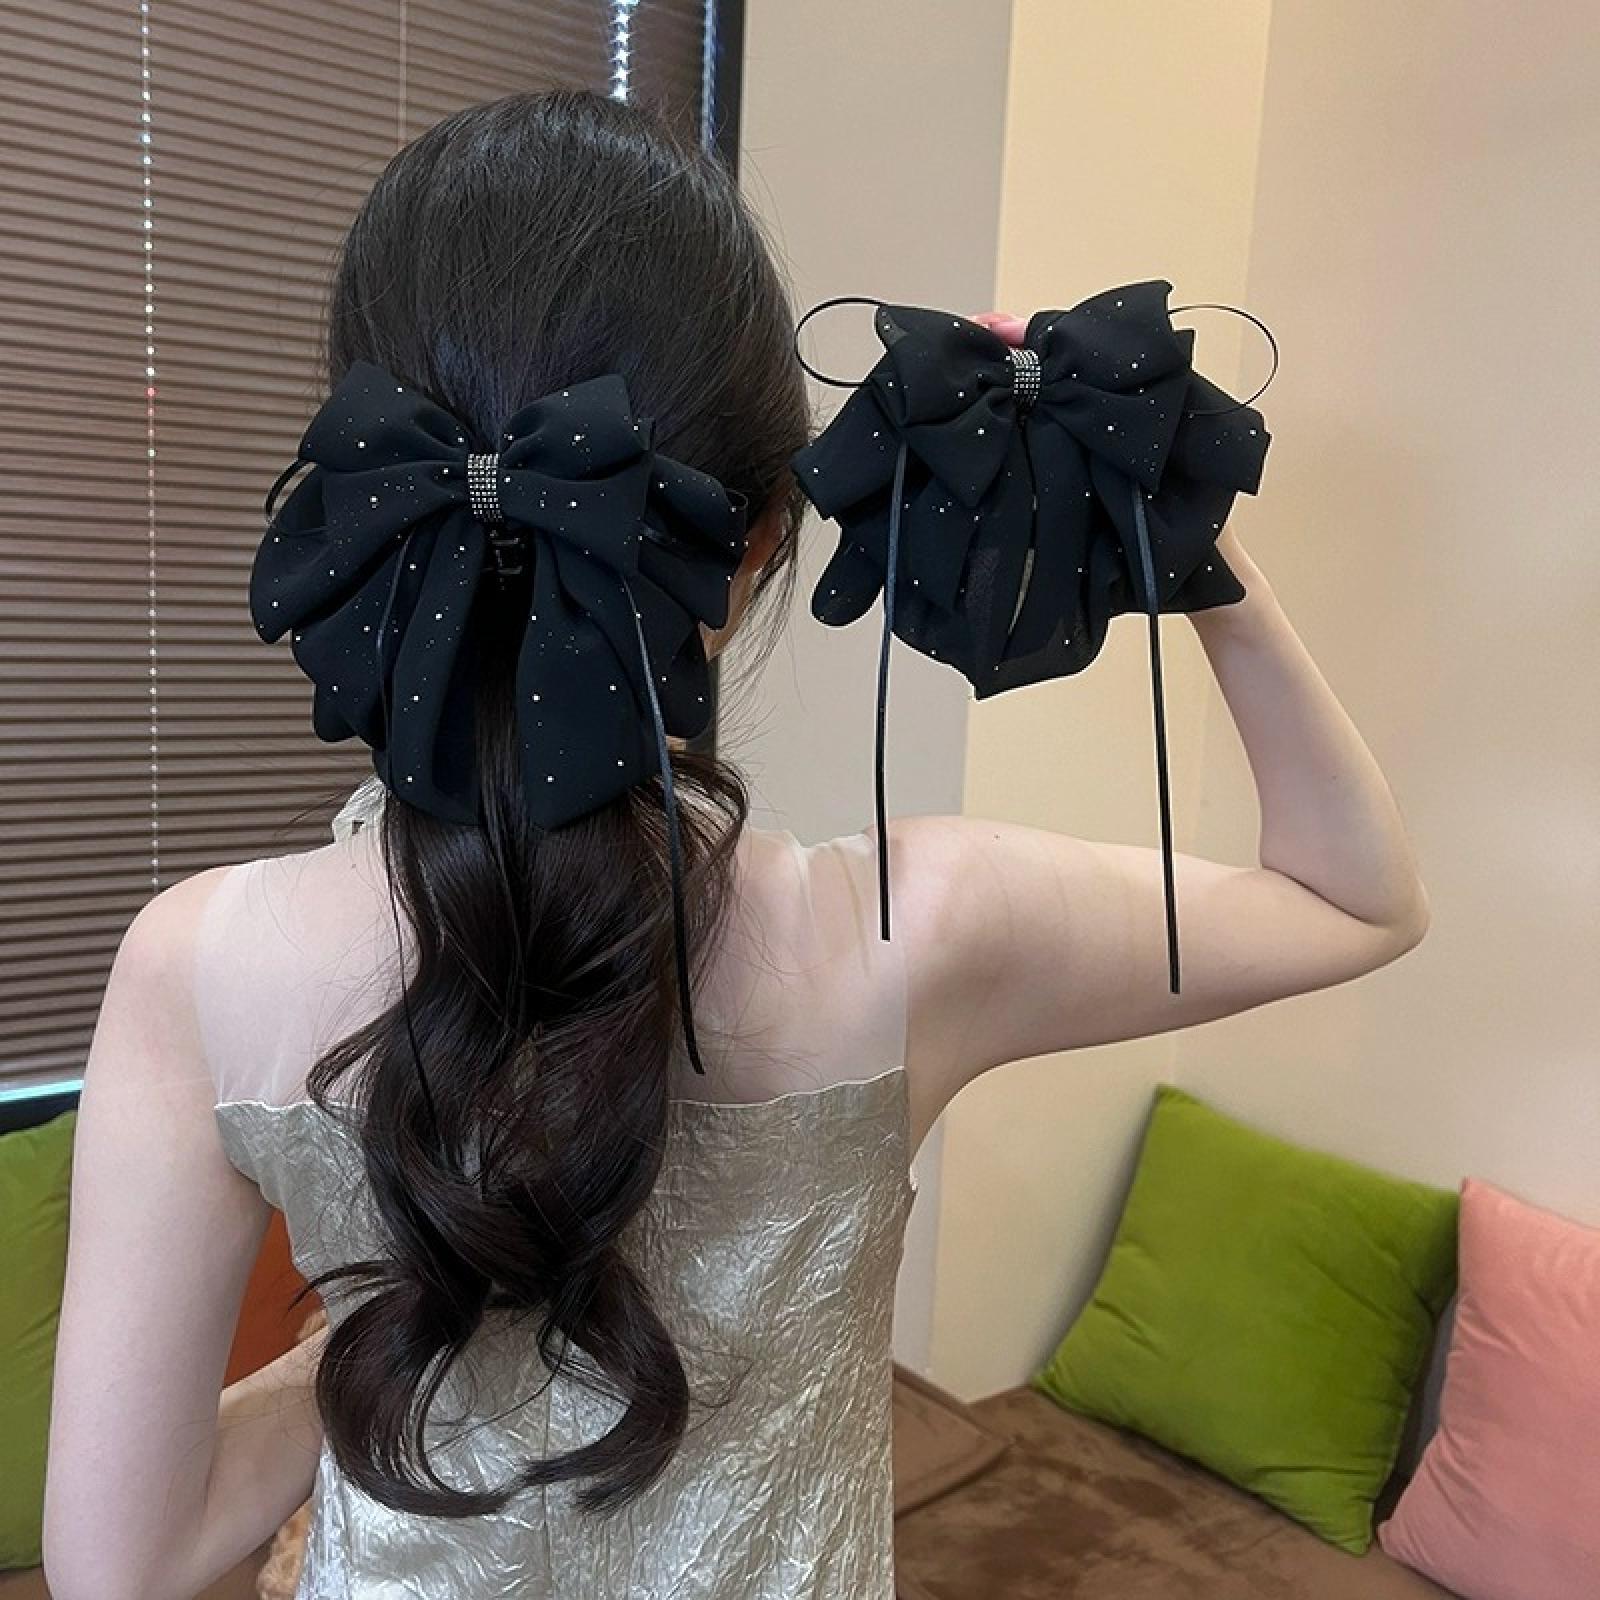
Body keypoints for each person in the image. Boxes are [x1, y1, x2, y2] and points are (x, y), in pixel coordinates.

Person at [42, 90, 1428, 1600]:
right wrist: (1156, 490)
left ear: (368, 523)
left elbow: (122, 1565)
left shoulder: (198, 968)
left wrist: (392, 1330)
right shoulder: (919, 932)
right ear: (762, 535)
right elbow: (1353, 898)